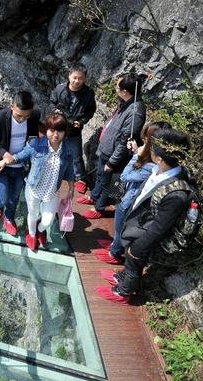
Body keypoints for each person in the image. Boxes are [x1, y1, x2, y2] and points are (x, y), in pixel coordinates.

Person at [96, 128, 193, 304]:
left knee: (134, 261)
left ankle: (124, 292)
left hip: (145, 236)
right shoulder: (160, 169)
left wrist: (139, 247)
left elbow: (159, 228)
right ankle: (123, 276)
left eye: (153, 148)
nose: (150, 149)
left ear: (159, 158)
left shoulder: (177, 193)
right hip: (138, 224)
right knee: (129, 256)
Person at [0, 111, 75, 251]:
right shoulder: (36, 145)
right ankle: (31, 234)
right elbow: (19, 156)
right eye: (52, 130)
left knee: (47, 220)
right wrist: (4, 162)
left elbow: (69, 171)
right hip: (33, 189)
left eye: (59, 131)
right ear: (47, 130)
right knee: (33, 213)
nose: (55, 134)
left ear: (64, 132)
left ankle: (40, 229)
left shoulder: (67, 150)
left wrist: (71, 188)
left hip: (52, 192)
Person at [92, 121, 171, 264]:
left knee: (120, 228)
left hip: (129, 202)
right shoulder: (153, 162)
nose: (144, 142)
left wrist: (136, 156)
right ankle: (115, 245)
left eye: (146, 139)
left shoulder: (152, 166)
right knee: (119, 226)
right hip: (127, 198)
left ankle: (115, 252)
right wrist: (137, 152)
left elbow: (125, 176)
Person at [78, 73, 147, 219]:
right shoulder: (126, 103)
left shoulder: (136, 111)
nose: (115, 88)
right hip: (106, 149)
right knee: (99, 176)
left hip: (113, 154)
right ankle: (94, 196)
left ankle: (99, 207)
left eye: (118, 86)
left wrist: (112, 161)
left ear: (125, 92)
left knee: (106, 181)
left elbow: (124, 140)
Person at [0, 91, 41, 236]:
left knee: (14, 197)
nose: (22, 119)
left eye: (26, 116)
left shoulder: (33, 117)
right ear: (11, 107)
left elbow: (33, 142)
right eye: (19, 115)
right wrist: (3, 154)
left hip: (21, 166)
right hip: (2, 165)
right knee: (4, 196)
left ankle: (9, 218)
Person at [49, 64, 96, 194]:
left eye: (80, 78)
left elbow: (90, 111)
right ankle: (53, 173)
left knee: (76, 155)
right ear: (69, 76)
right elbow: (52, 103)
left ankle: (80, 179)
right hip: (58, 127)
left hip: (74, 129)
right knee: (55, 151)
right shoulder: (59, 89)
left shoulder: (88, 93)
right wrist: (56, 112)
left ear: (85, 79)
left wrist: (81, 121)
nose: (76, 81)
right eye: (74, 77)